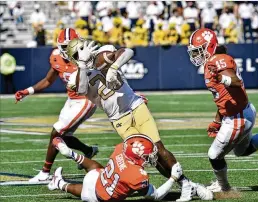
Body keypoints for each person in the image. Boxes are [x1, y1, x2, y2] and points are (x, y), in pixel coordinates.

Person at [65, 38, 213, 201]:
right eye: (78, 52)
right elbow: (82, 88)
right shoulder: (75, 78)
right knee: (150, 155)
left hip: (135, 106)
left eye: (82, 49)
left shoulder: (103, 53)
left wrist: (114, 68)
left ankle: (185, 185)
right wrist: (83, 65)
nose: (82, 53)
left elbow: (128, 51)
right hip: (119, 120)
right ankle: (190, 185)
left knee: (158, 147)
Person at [187, 28, 258, 192]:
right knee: (243, 151)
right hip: (241, 111)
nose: (196, 55)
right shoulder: (212, 60)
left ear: (209, 46)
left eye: (199, 50)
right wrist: (217, 120)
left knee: (214, 155)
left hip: (237, 117)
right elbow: (222, 96)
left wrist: (221, 78)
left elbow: (235, 81)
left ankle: (224, 188)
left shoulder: (218, 60)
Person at [14, 28, 97, 182]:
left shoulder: (87, 57)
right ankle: (88, 150)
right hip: (71, 100)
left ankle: (45, 173)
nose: (68, 49)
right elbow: (48, 80)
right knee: (64, 135)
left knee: (56, 132)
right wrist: (28, 91)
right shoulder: (56, 57)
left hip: (86, 100)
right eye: (64, 46)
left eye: (70, 45)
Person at [48, 135, 184, 202]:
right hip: (98, 196)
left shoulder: (121, 149)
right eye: (148, 156)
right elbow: (156, 196)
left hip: (99, 177)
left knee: (97, 168)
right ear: (138, 157)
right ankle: (59, 183)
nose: (151, 157)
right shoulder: (137, 176)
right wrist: (173, 178)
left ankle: (72, 154)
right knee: (86, 191)